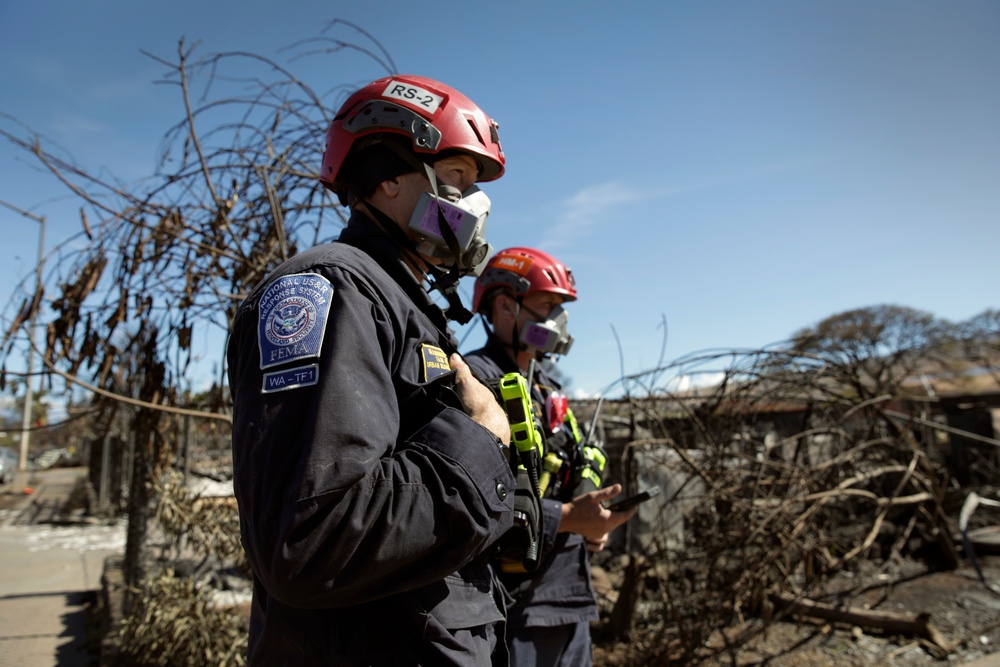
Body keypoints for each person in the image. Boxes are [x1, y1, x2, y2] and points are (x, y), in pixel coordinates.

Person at [227, 75, 518, 666]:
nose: (476, 203)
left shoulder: (402, 301)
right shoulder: (334, 290)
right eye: (458, 178)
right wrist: (482, 441)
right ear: (387, 178)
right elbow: (312, 540)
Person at [464, 247, 638, 667]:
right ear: (505, 305)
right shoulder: (474, 383)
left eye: (560, 310)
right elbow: (470, 500)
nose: (557, 322)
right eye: (547, 307)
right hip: (510, 608)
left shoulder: (546, 386)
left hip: (567, 599)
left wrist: (591, 524)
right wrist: (567, 518)